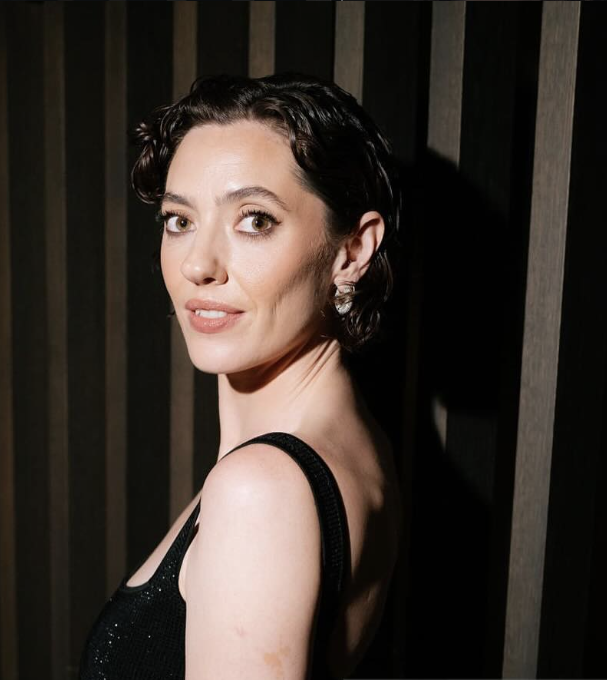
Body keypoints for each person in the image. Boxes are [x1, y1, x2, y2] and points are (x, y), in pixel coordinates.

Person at [80, 71, 403, 680]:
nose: (198, 265)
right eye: (179, 220)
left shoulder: (262, 491)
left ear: (353, 251)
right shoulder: (350, 446)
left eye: (254, 220)